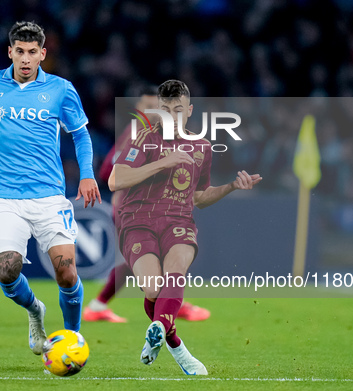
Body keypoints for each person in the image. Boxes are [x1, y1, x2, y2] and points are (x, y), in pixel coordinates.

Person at [0, 21, 101, 356]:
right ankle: (35, 311)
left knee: (65, 271)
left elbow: (80, 134)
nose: (26, 58)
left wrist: (87, 173)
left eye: (33, 52)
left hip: (49, 197)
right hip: (5, 197)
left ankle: (70, 340)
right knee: (6, 268)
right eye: (20, 51)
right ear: (10, 52)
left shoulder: (61, 89)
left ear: (43, 54)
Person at [109, 80, 261, 375]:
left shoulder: (202, 147)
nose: (171, 116)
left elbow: (200, 197)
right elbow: (116, 180)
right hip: (138, 219)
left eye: (177, 110)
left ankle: (158, 329)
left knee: (176, 269)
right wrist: (162, 163)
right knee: (153, 288)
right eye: (165, 110)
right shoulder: (143, 139)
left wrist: (231, 186)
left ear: (189, 111)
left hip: (178, 220)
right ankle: (175, 344)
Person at [83, 85, 210, 323]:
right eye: (150, 107)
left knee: (148, 260)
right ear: (139, 109)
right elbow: (107, 171)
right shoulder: (137, 133)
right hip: (129, 207)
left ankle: (100, 305)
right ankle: (170, 305)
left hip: (150, 207)